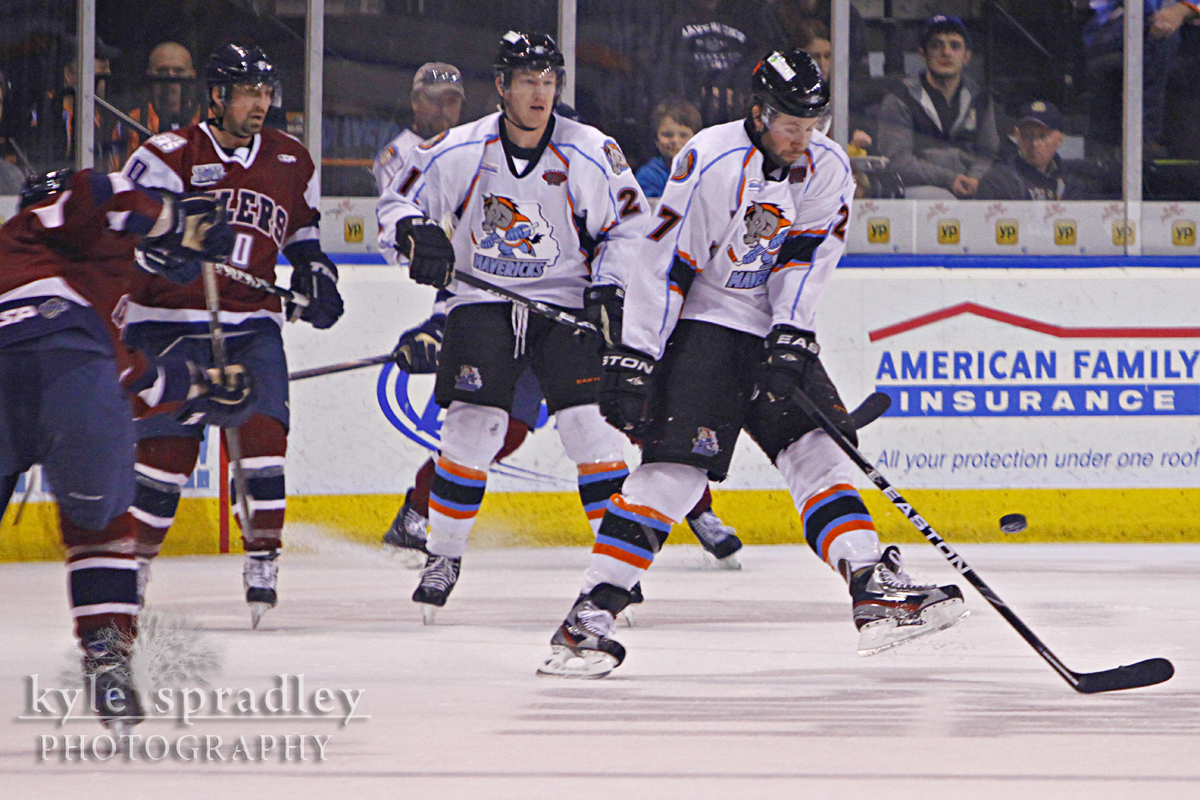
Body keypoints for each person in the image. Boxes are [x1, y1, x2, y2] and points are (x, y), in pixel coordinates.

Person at [538, 49, 967, 679]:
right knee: (676, 475)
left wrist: (792, 335)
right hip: (703, 325)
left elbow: (804, 259)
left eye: (812, 122)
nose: (803, 136)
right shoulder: (710, 158)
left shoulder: (827, 167)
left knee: (818, 450)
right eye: (790, 123)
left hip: (767, 328)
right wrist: (639, 355)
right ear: (759, 112)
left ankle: (873, 589)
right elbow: (668, 263)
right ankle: (589, 619)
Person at [377, 30, 654, 621]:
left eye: (549, 81)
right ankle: (443, 554)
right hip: (482, 298)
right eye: (528, 80)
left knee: (592, 431)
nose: (540, 92)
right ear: (501, 87)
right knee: (471, 431)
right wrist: (416, 234)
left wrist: (610, 285)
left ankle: (614, 571)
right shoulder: (458, 149)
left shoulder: (589, 150)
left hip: (567, 302)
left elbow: (631, 227)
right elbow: (397, 205)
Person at [0, 168, 242, 732]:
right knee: (102, 529)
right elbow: (103, 191)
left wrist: (205, 382)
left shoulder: (81, 280)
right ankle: (107, 664)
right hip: (70, 365)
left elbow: (131, 375)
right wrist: (176, 220)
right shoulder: (70, 217)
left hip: (50, 363)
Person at [120, 43, 345, 627]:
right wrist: (163, 252)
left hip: (250, 324)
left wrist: (317, 278)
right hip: (167, 327)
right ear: (217, 97)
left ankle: (263, 558)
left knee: (263, 439)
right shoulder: (164, 157)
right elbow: (123, 238)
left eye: (267, 92)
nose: (261, 104)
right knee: (166, 457)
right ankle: (132, 568)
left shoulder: (292, 160)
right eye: (250, 92)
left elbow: (302, 237)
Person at [876, 15, 998, 199]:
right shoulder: (900, 97)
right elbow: (897, 161)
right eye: (936, 45)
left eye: (955, 46)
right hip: (919, 188)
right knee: (940, 198)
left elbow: (988, 153)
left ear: (966, 57)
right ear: (923, 54)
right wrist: (950, 179)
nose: (946, 52)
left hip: (971, 185)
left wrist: (974, 179)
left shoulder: (980, 98)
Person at [372, 62, 467, 194]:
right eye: (435, 100)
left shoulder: (471, 149)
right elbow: (397, 210)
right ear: (415, 101)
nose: (444, 109)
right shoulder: (399, 157)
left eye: (451, 102)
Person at [976, 101, 1081, 201]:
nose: (1034, 144)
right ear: (1018, 137)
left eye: (1042, 136)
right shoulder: (999, 181)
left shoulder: (1071, 184)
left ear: (1059, 139)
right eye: (1027, 135)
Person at [123, 41, 203, 153]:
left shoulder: (209, 119)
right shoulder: (132, 122)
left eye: (179, 71)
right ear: (150, 74)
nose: (171, 77)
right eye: (162, 71)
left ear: (192, 74)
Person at [634, 97, 701, 199]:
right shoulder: (648, 175)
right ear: (656, 140)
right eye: (667, 135)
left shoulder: (704, 171)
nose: (675, 140)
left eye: (683, 135)